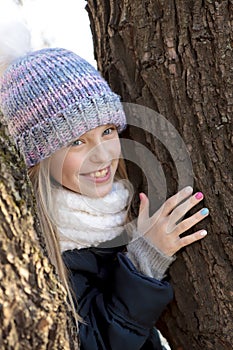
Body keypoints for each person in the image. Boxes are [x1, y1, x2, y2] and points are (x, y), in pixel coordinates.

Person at [0, 26, 209, 350]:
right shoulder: (51, 244)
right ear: (39, 159)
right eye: (76, 141)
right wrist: (144, 263)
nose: (103, 156)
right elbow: (93, 342)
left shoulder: (120, 205)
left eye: (108, 131)